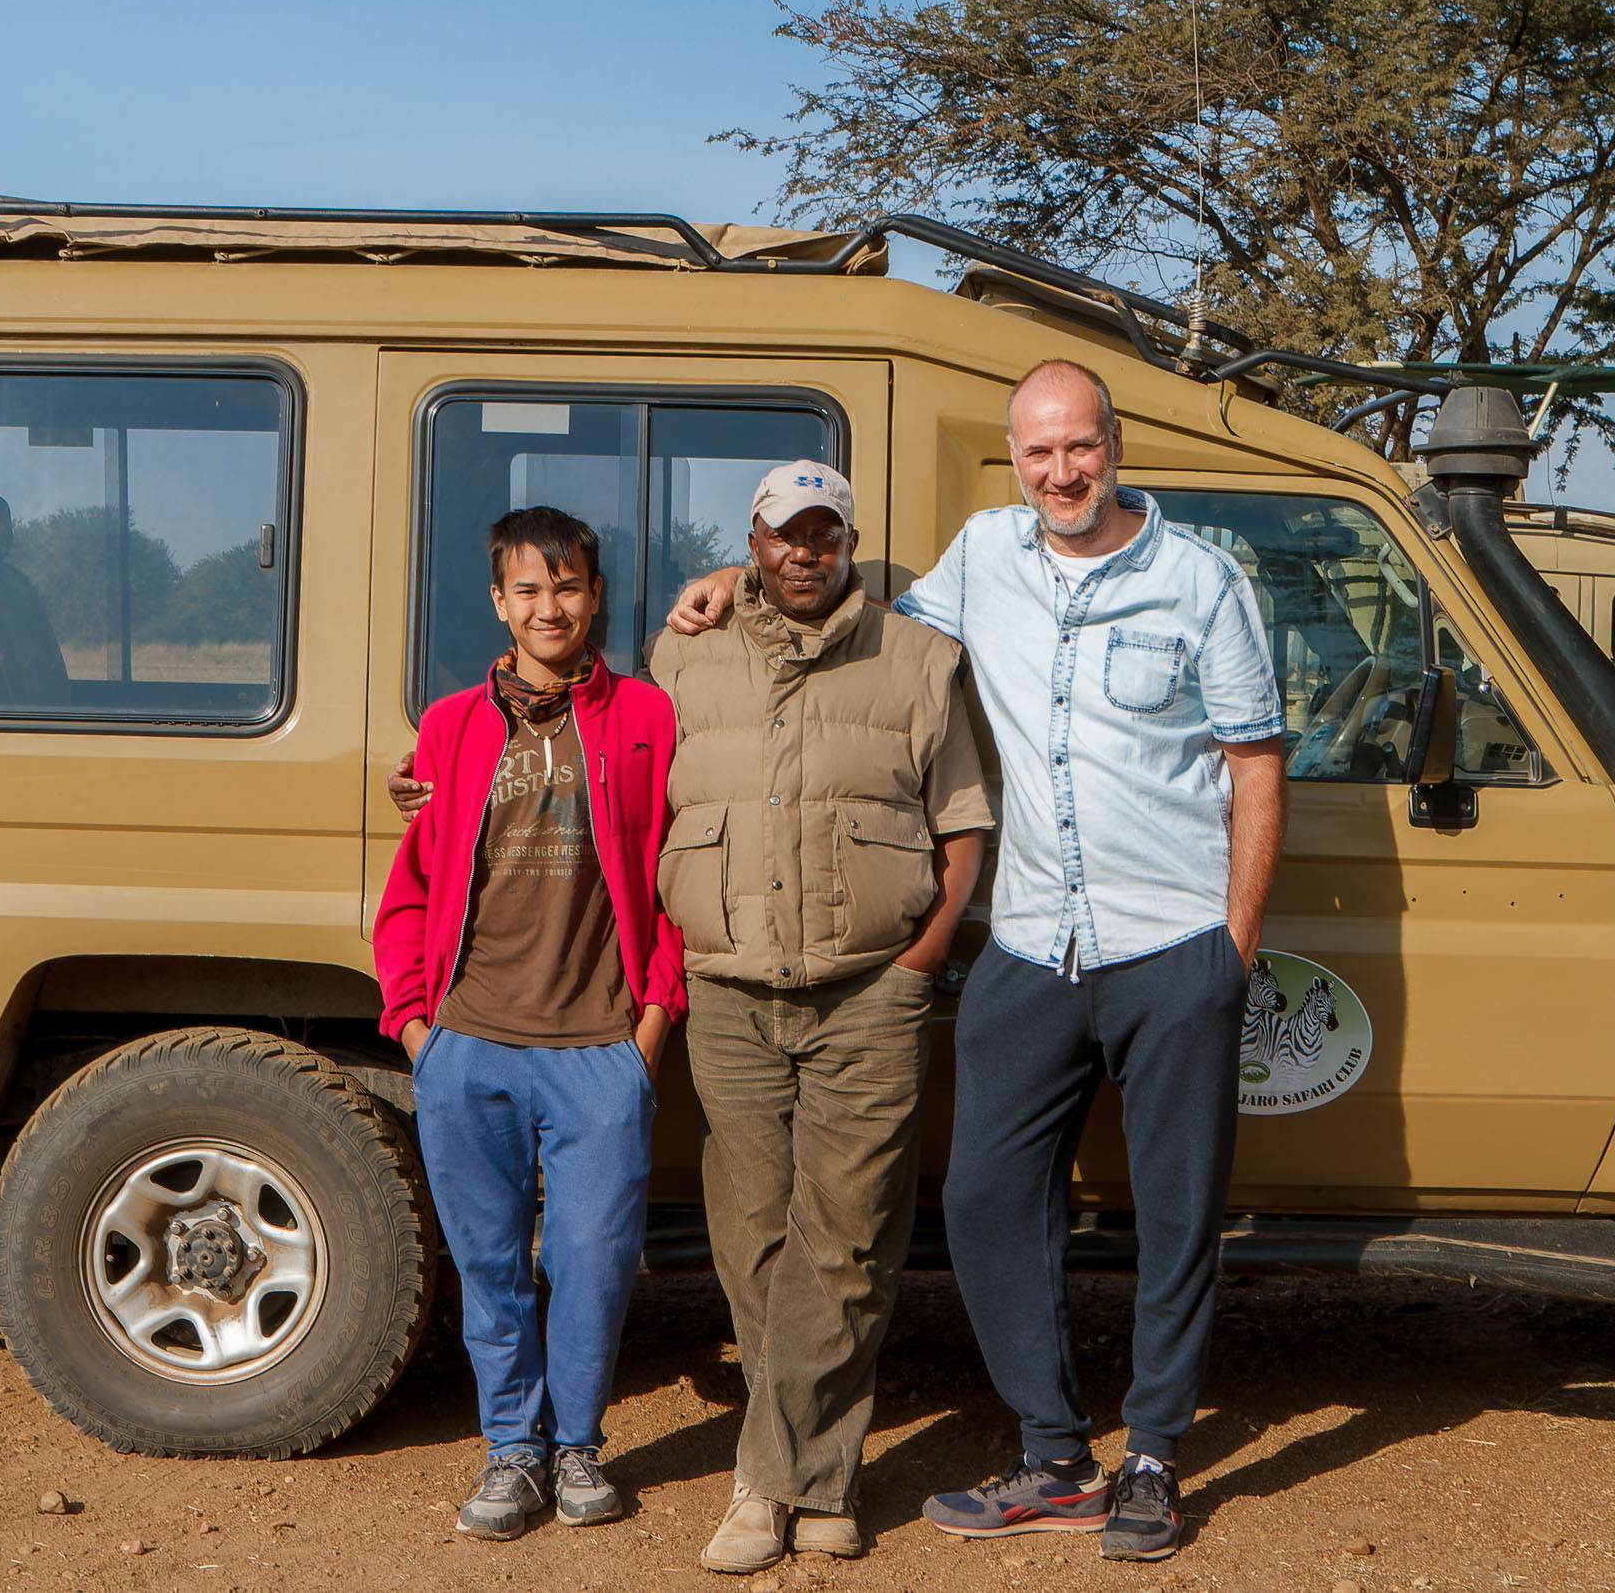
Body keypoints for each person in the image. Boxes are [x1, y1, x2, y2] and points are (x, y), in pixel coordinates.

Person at [669, 359, 1286, 1564]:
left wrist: (1233, 946)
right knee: (986, 1199)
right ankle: (1055, 1456)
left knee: (1176, 1212)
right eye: (1038, 451)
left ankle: (1155, 1455)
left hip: (1170, 938)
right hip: (1031, 938)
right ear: (1016, 459)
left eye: (1079, 446)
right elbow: (856, 614)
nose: (1061, 470)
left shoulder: (1201, 579)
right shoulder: (984, 554)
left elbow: (1254, 763)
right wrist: (728, 584)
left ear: (1115, 444)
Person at [646, 462, 990, 1573]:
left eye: (824, 533)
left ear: (848, 541)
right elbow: (616, 779)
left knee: (847, 1239)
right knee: (752, 1238)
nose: (805, 551)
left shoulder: (920, 658)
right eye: (783, 533)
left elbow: (962, 823)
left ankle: (768, 1486)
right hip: (728, 991)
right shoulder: (681, 655)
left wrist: (921, 958)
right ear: (752, 540)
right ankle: (823, 1481)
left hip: (869, 991)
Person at [373, 506, 684, 1542]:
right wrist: (416, 1027)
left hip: (601, 1049)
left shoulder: (646, 716)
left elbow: (673, 880)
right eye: (528, 589)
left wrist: (649, 1031)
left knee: (593, 1260)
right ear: (499, 602)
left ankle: (579, 1444)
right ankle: (512, 1447)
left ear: (595, 597)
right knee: (491, 1264)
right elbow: (413, 887)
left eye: (568, 586)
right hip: (469, 1045)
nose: (550, 606)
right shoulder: (452, 726)